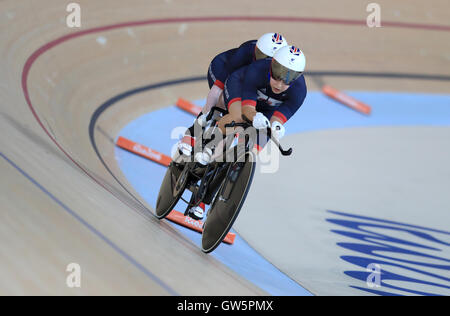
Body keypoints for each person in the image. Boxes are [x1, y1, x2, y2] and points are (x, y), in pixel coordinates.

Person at [188, 45, 307, 220]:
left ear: (296, 79)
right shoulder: (258, 70)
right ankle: (208, 145)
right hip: (240, 89)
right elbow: (248, 109)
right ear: (272, 65)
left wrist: (276, 127)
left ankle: (206, 196)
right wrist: (253, 116)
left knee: (252, 150)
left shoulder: (299, 91)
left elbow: (278, 119)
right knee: (239, 119)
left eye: (287, 81)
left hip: (265, 109)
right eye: (277, 76)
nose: (280, 85)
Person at [178, 33, 288, 158]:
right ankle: (193, 132)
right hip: (223, 70)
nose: (264, 62)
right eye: (261, 56)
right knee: (222, 105)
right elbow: (217, 88)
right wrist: (206, 114)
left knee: (244, 117)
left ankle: (218, 147)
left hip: (247, 83)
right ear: (255, 51)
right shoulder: (246, 52)